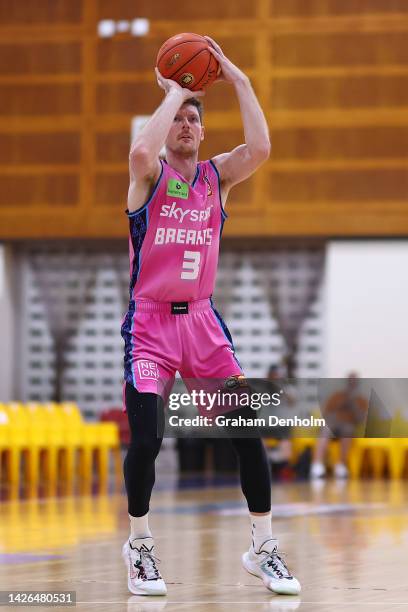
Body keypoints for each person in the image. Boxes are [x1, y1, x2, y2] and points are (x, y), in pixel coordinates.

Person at [120, 36, 301, 597]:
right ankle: (140, 545)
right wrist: (175, 92)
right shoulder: (149, 180)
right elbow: (140, 155)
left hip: (201, 325)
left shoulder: (216, 180)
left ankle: (262, 547)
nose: (188, 125)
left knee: (249, 432)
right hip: (150, 326)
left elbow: (262, 147)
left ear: (203, 131)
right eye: (181, 118)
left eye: (196, 119)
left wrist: (238, 79)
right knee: (147, 440)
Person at [310, 372, 368, 479]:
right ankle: (317, 465)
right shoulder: (337, 396)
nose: (352, 384)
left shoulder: (361, 400)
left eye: (354, 382)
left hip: (348, 425)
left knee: (348, 431)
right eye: (350, 381)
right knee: (325, 430)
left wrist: (353, 404)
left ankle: (341, 465)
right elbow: (326, 412)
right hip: (333, 422)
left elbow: (361, 419)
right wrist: (342, 402)